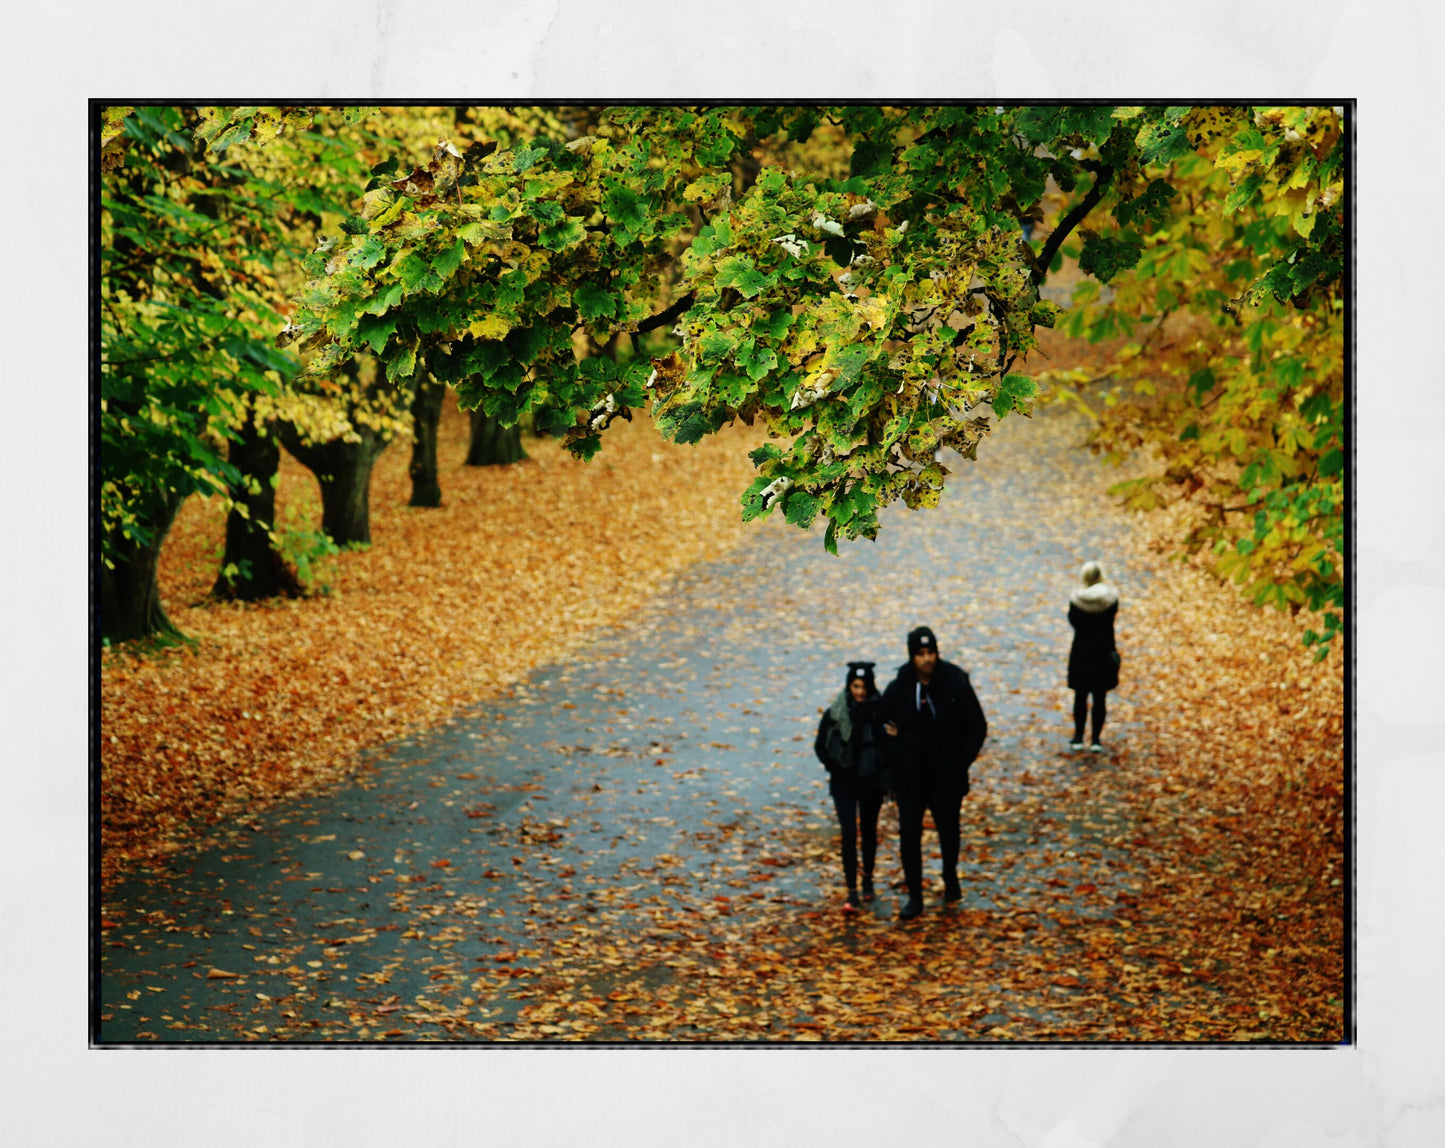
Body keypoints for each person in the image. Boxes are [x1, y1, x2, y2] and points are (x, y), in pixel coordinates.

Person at [880, 627, 987, 920]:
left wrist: (959, 763)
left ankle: (950, 877)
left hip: (946, 777)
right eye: (920, 654)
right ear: (912, 656)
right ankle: (915, 895)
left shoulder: (955, 683)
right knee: (909, 833)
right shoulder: (900, 686)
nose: (927, 659)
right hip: (911, 778)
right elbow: (882, 725)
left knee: (949, 831)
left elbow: (977, 727)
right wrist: (895, 757)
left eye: (931, 653)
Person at [814, 661, 889, 912]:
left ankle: (867, 879)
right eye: (855, 686)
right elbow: (820, 745)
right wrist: (834, 766)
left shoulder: (879, 711)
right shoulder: (837, 711)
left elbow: (888, 745)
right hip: (844, 782)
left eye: (864, 687)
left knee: (868, 830)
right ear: (849, 686)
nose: (859, 692)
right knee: (848, 833)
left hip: (870, 781)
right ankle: (851, 891)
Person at [1067, 560, 1120, 753]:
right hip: (1104, 650)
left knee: (1080, 696)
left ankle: (1078, 736)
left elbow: (1073, 622)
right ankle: (1096, 739)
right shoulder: (1111, 600)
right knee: (1100, 697)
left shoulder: (1076, 600)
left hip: (1081, 651)